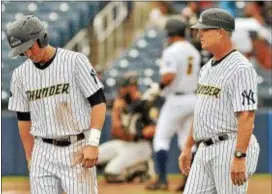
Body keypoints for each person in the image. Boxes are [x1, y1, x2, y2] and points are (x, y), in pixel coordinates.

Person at [7, 15, 107, 194]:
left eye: (29, 47)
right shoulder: (20, 75)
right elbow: (23, 118)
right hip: (42, 150)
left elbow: (98, 103)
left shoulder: (75, 61)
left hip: (76, 147)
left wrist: (93, 143)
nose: (28, 54)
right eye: (22, 51)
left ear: (42, 38)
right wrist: (30, 155)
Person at [179, 8, 260, 194]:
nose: (199, 33)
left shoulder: (241, 68)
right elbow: (201, 111)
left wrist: (240, 156)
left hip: (230, 146)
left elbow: (247, 116)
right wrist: (187, 146)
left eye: (205, 29)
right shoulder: (206, 67)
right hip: (204, 149)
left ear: (221, 32)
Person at [145, 19, 201, 191]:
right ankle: (190, 181)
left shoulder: (171, 50)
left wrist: (158, 88)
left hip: (176, 100)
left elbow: (169, 76)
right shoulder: (194, 51)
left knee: (161, 139)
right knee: (187, 142)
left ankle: (162, 179)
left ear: (170, 32)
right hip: (193, 98)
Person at [97, 72, 157, 183]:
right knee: (92, 158)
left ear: (133, 86)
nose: (121, 90)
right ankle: (133, 169)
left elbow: (154, 129)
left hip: (140, 146)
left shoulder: (145, 103)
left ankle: (143, 167)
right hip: (122, 143)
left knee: (111, 173)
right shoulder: (121, 104)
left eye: (124, 87)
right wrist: (116, 111)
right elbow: (115, 132)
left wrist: (139, 133)